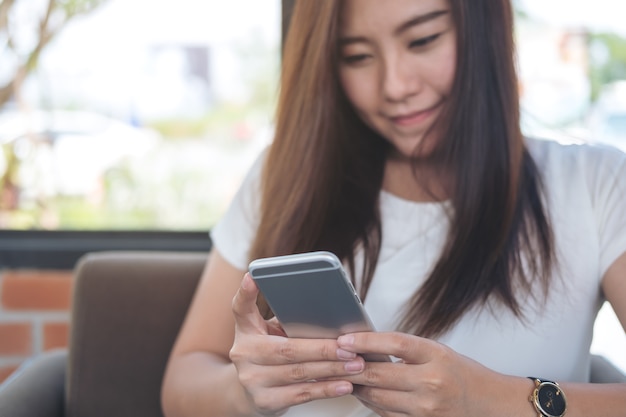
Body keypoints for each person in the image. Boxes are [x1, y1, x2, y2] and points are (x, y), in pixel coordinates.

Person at [161, 0, 626, 416]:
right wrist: (244, 394)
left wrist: (493, 399)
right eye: (358, 56)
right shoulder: (285, 176)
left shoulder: (596, 185)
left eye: (423, 40)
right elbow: (183, 381)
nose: (395, 86)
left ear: (483, 26)